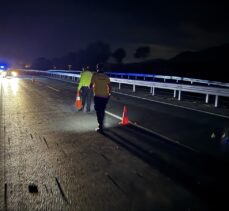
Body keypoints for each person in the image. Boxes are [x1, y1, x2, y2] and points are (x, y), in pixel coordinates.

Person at [90, 63, 111, 132]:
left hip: (97, 96)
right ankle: (102, 124)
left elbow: (90, 85)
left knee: (98, 111)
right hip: (105, 96)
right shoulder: (106, 76)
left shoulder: (95, 75)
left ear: (97, 68)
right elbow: (110, 86)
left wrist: (91, 87)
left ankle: (100, 126)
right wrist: (109, 94)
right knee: (102, 110)